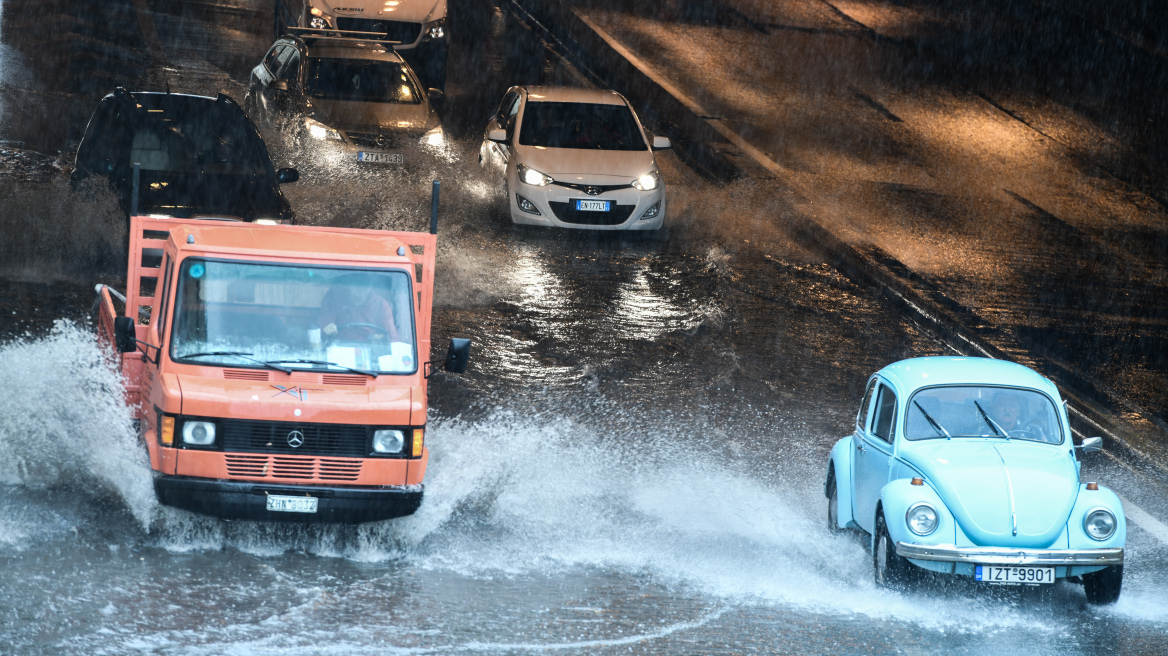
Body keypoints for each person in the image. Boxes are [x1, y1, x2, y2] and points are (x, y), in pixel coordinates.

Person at [317, 277, 400, 342]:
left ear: (371, 286)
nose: (360, 291)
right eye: (355, 284)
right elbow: (321, 329)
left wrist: (380, 337)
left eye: (365, 285)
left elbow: (391, 337)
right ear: (349, 285)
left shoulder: (381, 305)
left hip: (372, 353)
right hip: (338, 351)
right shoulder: (334, 299)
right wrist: (328, 329)